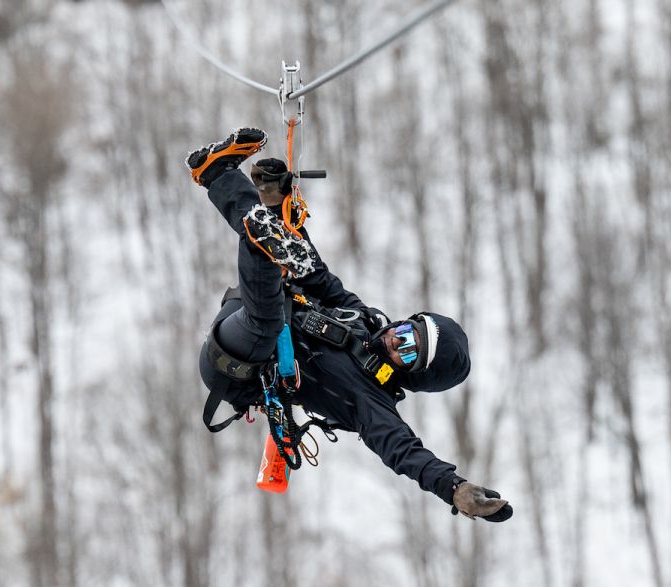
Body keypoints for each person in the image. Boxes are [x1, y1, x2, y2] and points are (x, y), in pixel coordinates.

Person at [186, 127, 513, 522]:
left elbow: (404, 451)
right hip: (244, 315)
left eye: (408, 351)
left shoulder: (372, 402)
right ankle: (263, 212)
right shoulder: (363, 319)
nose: (396, 339)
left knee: (268, 316)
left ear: (411, 375)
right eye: (407, 330)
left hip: (240, 364)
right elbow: (318, 279)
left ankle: (222, 181)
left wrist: (454, 488)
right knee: (295, 265)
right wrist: (280, 201)